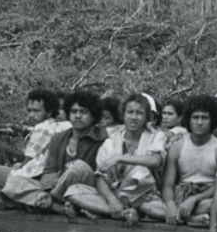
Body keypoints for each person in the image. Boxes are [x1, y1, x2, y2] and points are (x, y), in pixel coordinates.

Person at [64, 92, 167, 224]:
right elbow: (100, 177)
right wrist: (112, 201)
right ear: (123, 115)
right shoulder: (111, 141)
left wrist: (121, 158)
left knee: (153, 207)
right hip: (116, 196)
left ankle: (108, 211)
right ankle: (124, 212)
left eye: (139, 113)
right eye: (130, 112)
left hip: (145, 197)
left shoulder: (156, 136)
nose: (134, 117)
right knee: (74, 191)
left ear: (146, 117)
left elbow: (155, 161)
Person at [0, 88, 68, 209]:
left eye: (36, 111)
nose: (31, 115)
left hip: (33, 178)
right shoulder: (60, 127)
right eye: (29, 110)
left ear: (49, 111)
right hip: (42, 177)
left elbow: (27, 162)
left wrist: (16, 168)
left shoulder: (43, 128)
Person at [149, 94, 217, 226]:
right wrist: (170, 203)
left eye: (204, 118)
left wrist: (195, 199)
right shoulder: (177, 146)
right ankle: (189, 219)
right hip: (180, 198)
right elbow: (167, 184)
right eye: (195, 117)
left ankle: (183, 217)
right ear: (188, 120)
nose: (199, 122)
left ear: (212, 120)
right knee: (146, 205)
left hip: (206, 199)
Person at [29, 90, 107, 212]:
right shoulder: (58, 138)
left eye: (83, 112)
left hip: (84, 189)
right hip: (57, 185)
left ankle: (50, 200)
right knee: (17, 182)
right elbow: (50, 171)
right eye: (73, 111)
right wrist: (46, 188)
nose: (77, 116)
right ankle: (55, 205)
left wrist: (52, 188)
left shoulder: (102, 139)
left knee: (79, 167)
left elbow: (95, 175)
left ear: (93, 116)